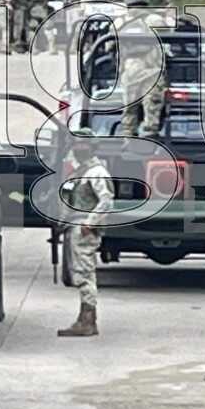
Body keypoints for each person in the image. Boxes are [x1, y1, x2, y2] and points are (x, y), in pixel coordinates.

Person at [58, 129, 114, 337]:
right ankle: (85, 319)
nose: (79, 148)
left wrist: (89, 222)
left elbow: (106, 200)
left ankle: (87, 320)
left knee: (84, 273)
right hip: (75, 226)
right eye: (77, 144)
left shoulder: (97, 172)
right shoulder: (80, 171)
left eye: (84, 145)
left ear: (93, 147)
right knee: (79, 272)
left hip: (84, 229)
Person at [116, 0, 174, 138]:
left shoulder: (119, 22)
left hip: (129, 71)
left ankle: (128, 136)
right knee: (152, 108)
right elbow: (170, 35)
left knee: (129, 109)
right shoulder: (155, 20)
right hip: (152, 70)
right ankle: (150, 135)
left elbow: (109, 45)